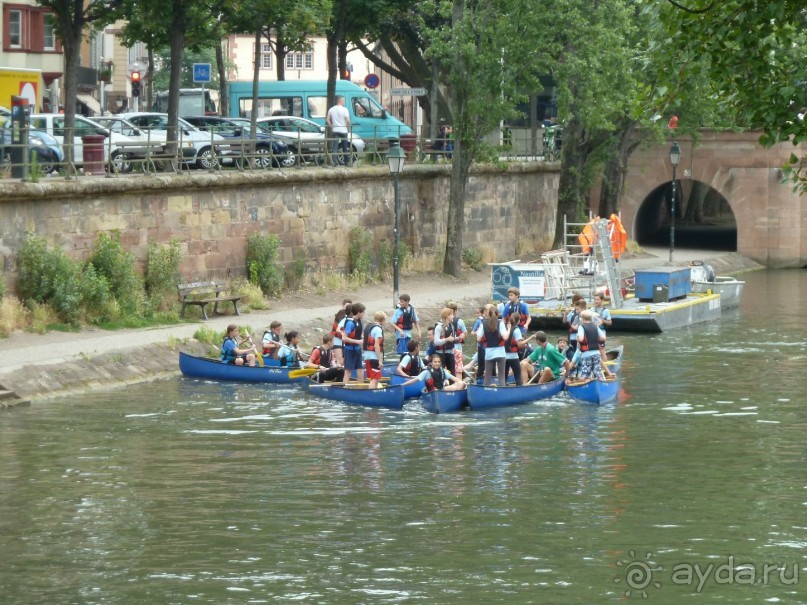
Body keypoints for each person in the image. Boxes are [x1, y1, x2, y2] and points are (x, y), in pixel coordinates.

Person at [476, 304, 511, 387]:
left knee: (487, 377)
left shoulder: (483, 324)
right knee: (501, 377)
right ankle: (502, 393)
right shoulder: (501, 323)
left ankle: (486, 392)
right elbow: (505, 337)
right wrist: (509, 328)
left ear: (489, 313)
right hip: (500, 353)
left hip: (489, 352)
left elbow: (478, 338)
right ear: (498, 314)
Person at [567, 310, 607, 382]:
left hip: (586, 354)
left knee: (585, 375)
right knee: (598, 374)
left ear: (582, 318)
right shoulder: (595, 326)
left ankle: (586, 387)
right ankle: (601, 384)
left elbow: (581, 338)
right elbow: (604, 338)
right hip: (596, 353)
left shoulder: (581, 327)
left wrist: (577, 338)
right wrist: (595, 338)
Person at [401, 354, 467, 392]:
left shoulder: (443, 371)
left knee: (461, 383)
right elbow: (414, 381)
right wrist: (402, 385)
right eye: (435, 362)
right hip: (432, 392)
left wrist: (463, 383)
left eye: (438, 362)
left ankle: (454, 399)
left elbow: (455, 379)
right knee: (453, 388)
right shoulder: (426, 372)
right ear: (431, 363)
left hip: (442, 390)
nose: (437, 363)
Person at [362, 310, 387, 389]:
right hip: (374, 357)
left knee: (375, 378)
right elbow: (376, 345)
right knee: (375, 378)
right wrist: (380, 359)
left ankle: (374, 392)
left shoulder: (369, 327)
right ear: (383, 320)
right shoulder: (378, 329)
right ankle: (371, 394)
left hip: (367, 355)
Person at [342, 302, 366, 385]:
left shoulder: (358, 321)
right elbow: (344, 337)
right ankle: (345, 387)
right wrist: (358, 341)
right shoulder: (350, 323)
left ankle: (361, 386)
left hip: (357, 348)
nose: (364, 314)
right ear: (359, 312)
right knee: (348, 370)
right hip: (349, 349)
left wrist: (363, 338)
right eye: (363, 312)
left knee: (360, 369)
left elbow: (358, 334)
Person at [326, 95, 351, 166]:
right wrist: (348, 127)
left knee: (335, 146)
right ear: (340, 101)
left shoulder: (331, 109)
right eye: (343, 100)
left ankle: (334, 162)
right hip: (343, 130)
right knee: (345, 146)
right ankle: (346, 162)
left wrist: (331, 126)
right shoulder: (345, 109)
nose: (344, 102)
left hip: (335, 130)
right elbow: (348, 120)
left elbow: (327, 120)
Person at [504, 312, 527, 385]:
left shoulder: (505, 327)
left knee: (504, 376)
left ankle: (502, 389)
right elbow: (520, 345)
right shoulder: (516, 330)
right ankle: (519, 390)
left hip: (503, 355)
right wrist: (528, 341)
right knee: (518, 375)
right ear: (518, 321)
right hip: (513, 356)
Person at [434, 307, 459, 375]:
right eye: (451, 315)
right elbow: (436, 342)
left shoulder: (451, 326)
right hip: (441, 353)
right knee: (440, 373)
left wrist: (458, 337)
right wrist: (447, 339)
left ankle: (453, 384)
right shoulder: (439, 327)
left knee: (452, 373)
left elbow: (452, 338)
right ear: (447, 316)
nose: (453, 316)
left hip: (450, 352)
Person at [446, 301, 466, 379]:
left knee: (448, 367)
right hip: (457, 347)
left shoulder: (442, 322)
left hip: (447, 348)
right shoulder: (460, 321)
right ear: (456, 311)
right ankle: (459, 384)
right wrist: (462, 336)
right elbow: (465, 333)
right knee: (458, 368)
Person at [331, 299, 352, 367]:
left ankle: (343, 373)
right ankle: (338, 373)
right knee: (340, 360)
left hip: (345, 340)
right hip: (338, 339)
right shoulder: (341, 314)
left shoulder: (350, 317)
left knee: (344, 360)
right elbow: (336, 328)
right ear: (343, 305)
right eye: (346, 306)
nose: (347, 308)